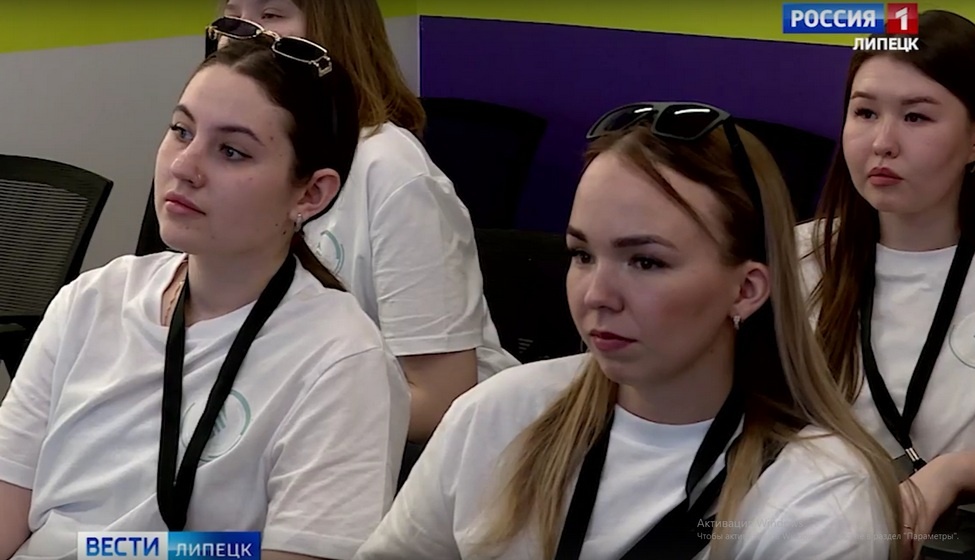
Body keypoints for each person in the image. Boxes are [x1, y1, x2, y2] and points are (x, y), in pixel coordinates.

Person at [354, 102, 907, 560]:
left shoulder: (819, 500)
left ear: (746, 289)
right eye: (582, 254)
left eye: (645, 262)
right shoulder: (498, 414)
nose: (596, 294)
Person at [0, 32, 409, 560]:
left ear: (311, 193)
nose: (183, 166)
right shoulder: (91, 301)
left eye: (231, 151)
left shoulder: (341, 361)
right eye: (181, 131)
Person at [146, 0, 517, 443]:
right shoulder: (203, 184)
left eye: (271, 15)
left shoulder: (391, 172)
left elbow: (441, 401)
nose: (243, 36)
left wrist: (270, 415)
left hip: (418, 447)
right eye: (233, 15)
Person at [798, 9, 975, 554]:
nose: (882, 142)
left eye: (916, 117)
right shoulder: (792, 258)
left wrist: (954, 472)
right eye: (865, 112)